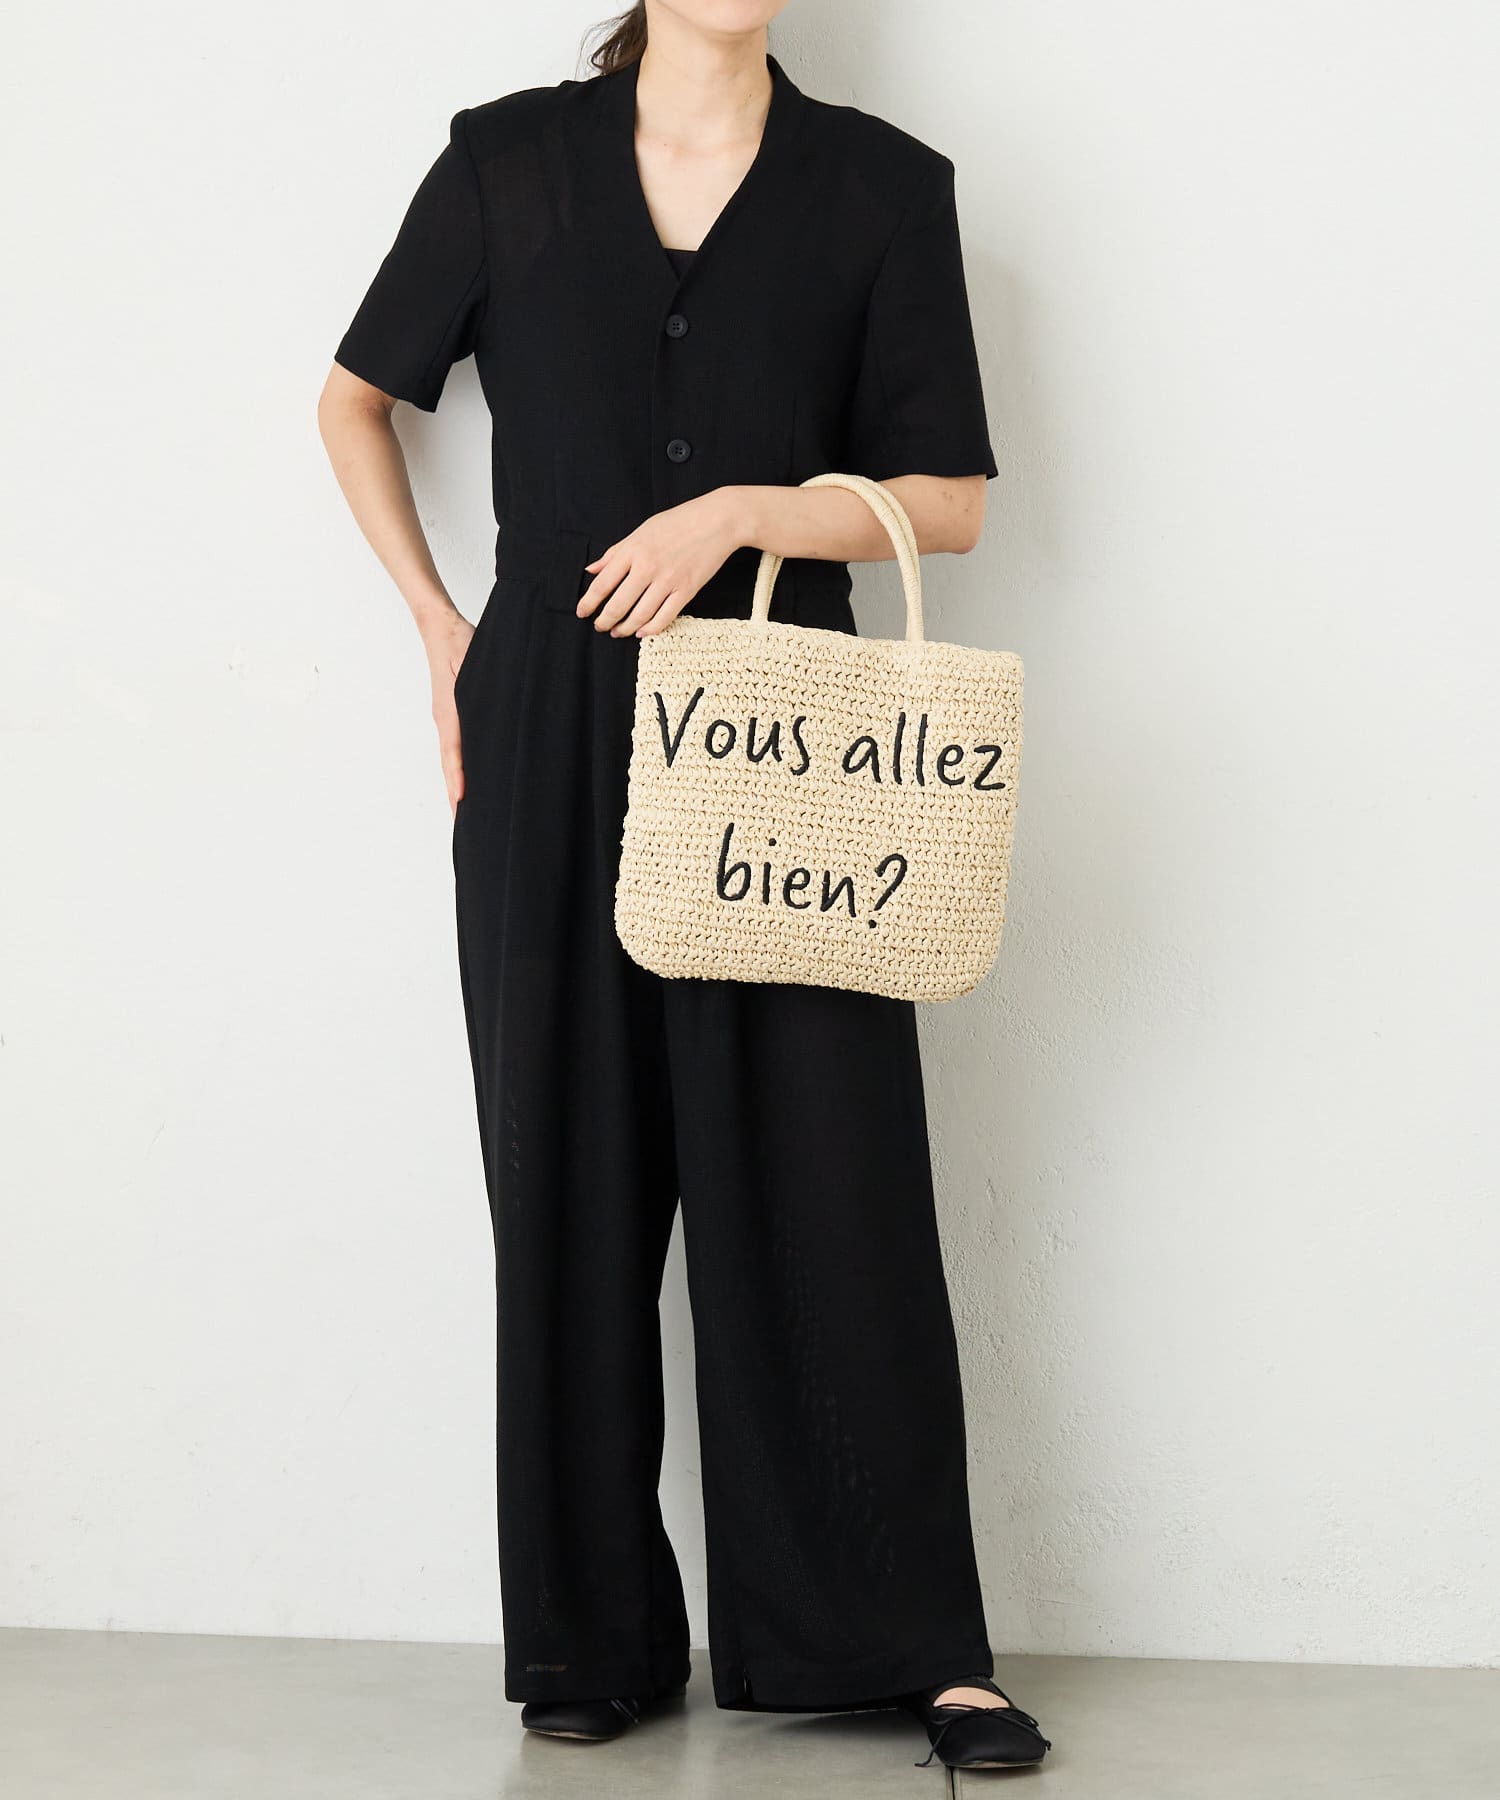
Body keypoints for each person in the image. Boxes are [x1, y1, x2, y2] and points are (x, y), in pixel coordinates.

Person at [316, 0, 1051, 1775]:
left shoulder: (881, 188)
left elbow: (948, 501)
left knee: (830, 1176)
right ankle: (590, 1636)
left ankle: (908, 1645)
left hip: (791, 735)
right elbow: (354, 401)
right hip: (551, 719)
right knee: (564, 1172)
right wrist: (438, 630)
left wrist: (742, 512)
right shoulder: (507, 163)